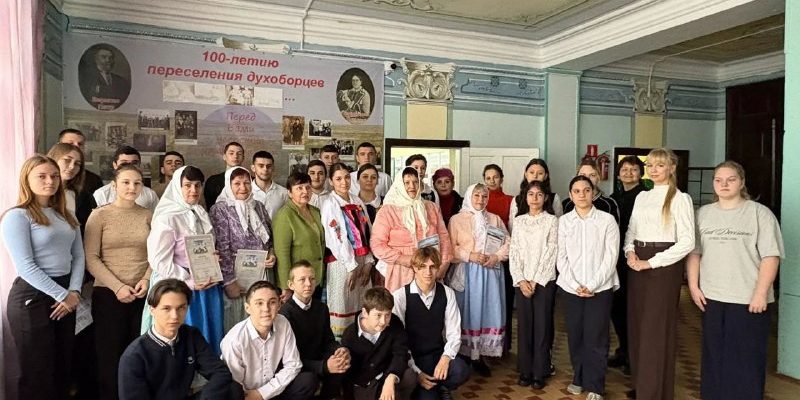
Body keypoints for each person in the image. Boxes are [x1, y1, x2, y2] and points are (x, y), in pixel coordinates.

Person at [687, 161, 783, 400]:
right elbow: (695, 253)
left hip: (748, 299)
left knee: (746, 358)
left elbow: (771, 256)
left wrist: (761, 293)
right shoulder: (703, 214)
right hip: (712, 296)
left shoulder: (759, 213)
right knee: (714, 356)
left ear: (742, 182)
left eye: (731, 179)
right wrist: (693, 286)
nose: (724, 184)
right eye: (718, 180)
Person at [1, 155, 85, 399]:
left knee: (62, 367)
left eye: (55, 176)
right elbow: (25, 266)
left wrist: (74, 292)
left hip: (67, 294)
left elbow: (78, 257)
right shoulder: (17, 216)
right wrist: (63, 296)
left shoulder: (66, 215)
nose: (50, 181)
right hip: (33, 296)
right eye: (42, 176)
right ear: (26, 179)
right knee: (37, 370)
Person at [624, 148, 695, 400]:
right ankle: (642, 385)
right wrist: (630, 252)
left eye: (660, 165)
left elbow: (687, 241)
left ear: (672, 168)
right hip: (638, 263)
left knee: (656, 328)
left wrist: (651, 263)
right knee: (637, 325)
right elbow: (631, 230)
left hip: (662, 267)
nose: (653, 170)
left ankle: (654, 392)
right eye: (650, 165)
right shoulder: (642, 196)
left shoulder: (680, 198)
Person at [83, 164, 152, 400]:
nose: (132, 187)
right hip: (108, 295)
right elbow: (91, 258)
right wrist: (118, 287)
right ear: (114, 185)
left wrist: (146, 279)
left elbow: (156, 255)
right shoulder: (99, 215)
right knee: (109, 358)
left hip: (142, 294)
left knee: (139, 356)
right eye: (126, 182)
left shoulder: (147, 215)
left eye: (137, 183)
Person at [144, 166, 225, 354]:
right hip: (178, 287)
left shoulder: (200, 212)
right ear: (177, 187)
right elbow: (158, 261)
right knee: (181, 341)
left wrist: (212, 258)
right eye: (187, 185)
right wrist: (188, 281)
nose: (193, 190)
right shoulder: (167, 218)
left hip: (206, 286)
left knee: (207, 339)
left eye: (198, 185)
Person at [118, 279, 235, 400]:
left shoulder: (191, 335)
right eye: (166, 309)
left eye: (181, 308)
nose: (175, 316)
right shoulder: (134, 356)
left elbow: (220, 373)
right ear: (153, 310)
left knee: (232, 390)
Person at [557, 176, 619, 400]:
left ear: (593, 193)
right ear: (570, 195)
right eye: (576, 191)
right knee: (575, 335)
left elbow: (611, 257)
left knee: (596, 336)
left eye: (586, 190)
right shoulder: (564, 221)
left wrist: (592, 284)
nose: (581, 195)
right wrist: (575, 285)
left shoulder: (607, 220)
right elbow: (561, 257)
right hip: (571, 288)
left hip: (600, 288)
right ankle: (579, 376)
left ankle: (595, 385)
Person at [392, 247, 470, 400]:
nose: (428, 272)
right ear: (415, 268)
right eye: (422, 267)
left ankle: (442, 387)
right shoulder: (400, 296)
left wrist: (445, 359)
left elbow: (454, 333)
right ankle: (425, 389)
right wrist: (417, 372)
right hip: (413, 360)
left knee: (461, 370)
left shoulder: (447, 293)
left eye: (432, 267)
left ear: (438, 267)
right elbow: (398, 342)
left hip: (437, 355)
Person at [449, 183, 510, 377]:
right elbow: (450, 247)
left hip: (490, 273)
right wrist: (470, 255)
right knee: (468, 311)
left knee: (486, 311)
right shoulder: (457, 220)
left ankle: (480, 355)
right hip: (467, 272)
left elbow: (508, 242)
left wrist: (496, 257)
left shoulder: (495, 219)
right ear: (469, 196)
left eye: (484, 196)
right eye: (476, 195)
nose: (480, 200)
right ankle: (464, 354)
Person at [221, 280, 316, 400]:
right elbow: (234, 384)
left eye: (272, 302)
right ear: (247, 308)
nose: (266, 309)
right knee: (233, 391)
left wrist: (262, 393)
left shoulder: (283, 323)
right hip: (246, 395)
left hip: (271, 390)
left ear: (279, 305)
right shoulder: (235, 340)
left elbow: (294, 364)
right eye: (259, 303)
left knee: (307, 380)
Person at [209, 166, 276, 332]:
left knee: (262, 319)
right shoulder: (220, 209)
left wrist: (271, 254)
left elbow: (269, 238)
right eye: (237, 183)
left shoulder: (258, 206)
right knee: (238, 323)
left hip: (261, 274)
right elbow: (222, 247)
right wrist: (229, 282)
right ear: (228, 185)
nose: (243, 188)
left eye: (246, 182)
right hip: (237, 279)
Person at [509, 180, 558, 389]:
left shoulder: (552, 221)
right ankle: (525, 370)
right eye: (531, 194)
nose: (535, 198)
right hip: (522, 281)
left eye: (539, 194)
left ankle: (540, 372)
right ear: (525, 197)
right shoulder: (519, 221)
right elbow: (514, 250)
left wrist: (535, 280)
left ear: (545, 198)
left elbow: (551, 251)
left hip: (543, 281)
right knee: (524, 326)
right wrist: (521, 279)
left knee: (542, 326)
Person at [371, 167, 453, 293]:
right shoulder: (387, 210)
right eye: (407, 182)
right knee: (403, 302)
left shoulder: (431, 207)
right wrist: (404, 259)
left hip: (430, 268)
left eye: (415, 182)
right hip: (401, 270)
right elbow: (377, 245)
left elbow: (444, 237)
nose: (412, 186)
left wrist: (444, 264)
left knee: (429, 303)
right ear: (399, 184)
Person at [280, 261, 351, 400]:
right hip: (296, 366)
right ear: (291, 285)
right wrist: (324, 366)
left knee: (342, 362)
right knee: (309, 379)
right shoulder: (285, 314)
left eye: (312, 279)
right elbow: (289, 360)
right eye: (302, 279)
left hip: (318, 360)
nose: (308, 284)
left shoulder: (321, 308)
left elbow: (328, 340)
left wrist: (339, 350)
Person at [321, 163, 375, 338]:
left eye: (346, 177)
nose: (343, 182)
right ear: (331, 181)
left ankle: (363, 341)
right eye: (338, 179)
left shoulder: (357, 200)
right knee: (343, 302)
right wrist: (351, 266)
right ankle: (342, 343)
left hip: (362, 259)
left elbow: (368, 231)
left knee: (362, 302)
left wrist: (368, 262)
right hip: (342, 262)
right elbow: (336, 238)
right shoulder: (330, 204)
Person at [341, 287, 417, 400]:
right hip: (364, 383)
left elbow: (400, 353)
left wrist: (391, 377)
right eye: (378, 315)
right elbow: (348, 375)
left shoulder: (395, 323)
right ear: (365, 312)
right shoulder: (350, 335)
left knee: (409, 376)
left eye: (387, 315)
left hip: (387, 373)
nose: (383, 321)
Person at [608, 155, 647, 373]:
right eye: (624, 169)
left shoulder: (646, 197)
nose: (628, 173)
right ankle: (623, 350)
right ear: (618, 174)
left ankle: (635, 357)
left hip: (636, 258)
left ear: (641, 173)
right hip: (615, 259)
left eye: (633, 169)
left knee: (633, 309)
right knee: (617, 307)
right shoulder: (613, 198)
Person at [273, 172, 326, 303]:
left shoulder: (315, 211)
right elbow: (282, 253)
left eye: (308, 187)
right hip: (297, 281)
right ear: (290, 193)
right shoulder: (285, 215)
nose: (305, 191)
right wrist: (286, 286)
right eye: (299, 188)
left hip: (315, 277)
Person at [483, 164, 515, 354]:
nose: (492, 181)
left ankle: (503, 343)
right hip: (482, 259)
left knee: (503, 301)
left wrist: (501, 253)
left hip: (503, 257)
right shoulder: (479, 200)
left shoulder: (510, 200)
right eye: (488, 178)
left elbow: (511, 229)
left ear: (501, 179)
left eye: (495, 177)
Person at [93, 146, 159, 211]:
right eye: (124, 163)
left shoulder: (150, 195)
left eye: (134, 163)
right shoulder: (101, 194)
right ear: (115, 165)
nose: (129, 167)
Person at [509, 158, 563, 231]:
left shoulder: (554, 198)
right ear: (526, 174)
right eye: (531, 172)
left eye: (540, 173)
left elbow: (559, 225)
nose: (535, 176)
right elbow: (512, 227)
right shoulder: (516, 200)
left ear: (545, 176)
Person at [78, 44, 130, 110]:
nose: (108, 60)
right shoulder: (87, 79)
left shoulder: (122, 81)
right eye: (104, 57)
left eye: (111, 58)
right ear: (96, 59)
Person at [59, 128, 104, 196]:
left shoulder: (93, 180)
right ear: (59, 146)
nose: (76, 147)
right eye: (70, 143)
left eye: (80, 144)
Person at [204, 142, 245, 209]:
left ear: (243, 158)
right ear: (224, 157)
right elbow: (210, 208)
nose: (235, 156)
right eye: (231, 153)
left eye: (239, 154)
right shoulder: (213, 181)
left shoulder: (251, 181)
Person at [251, 150, 289, 219]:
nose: (265, 169)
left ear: (273, 168)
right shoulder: (245, 191)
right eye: (261, 166)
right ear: (253, 168)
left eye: (269, 166)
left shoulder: (284, 193)